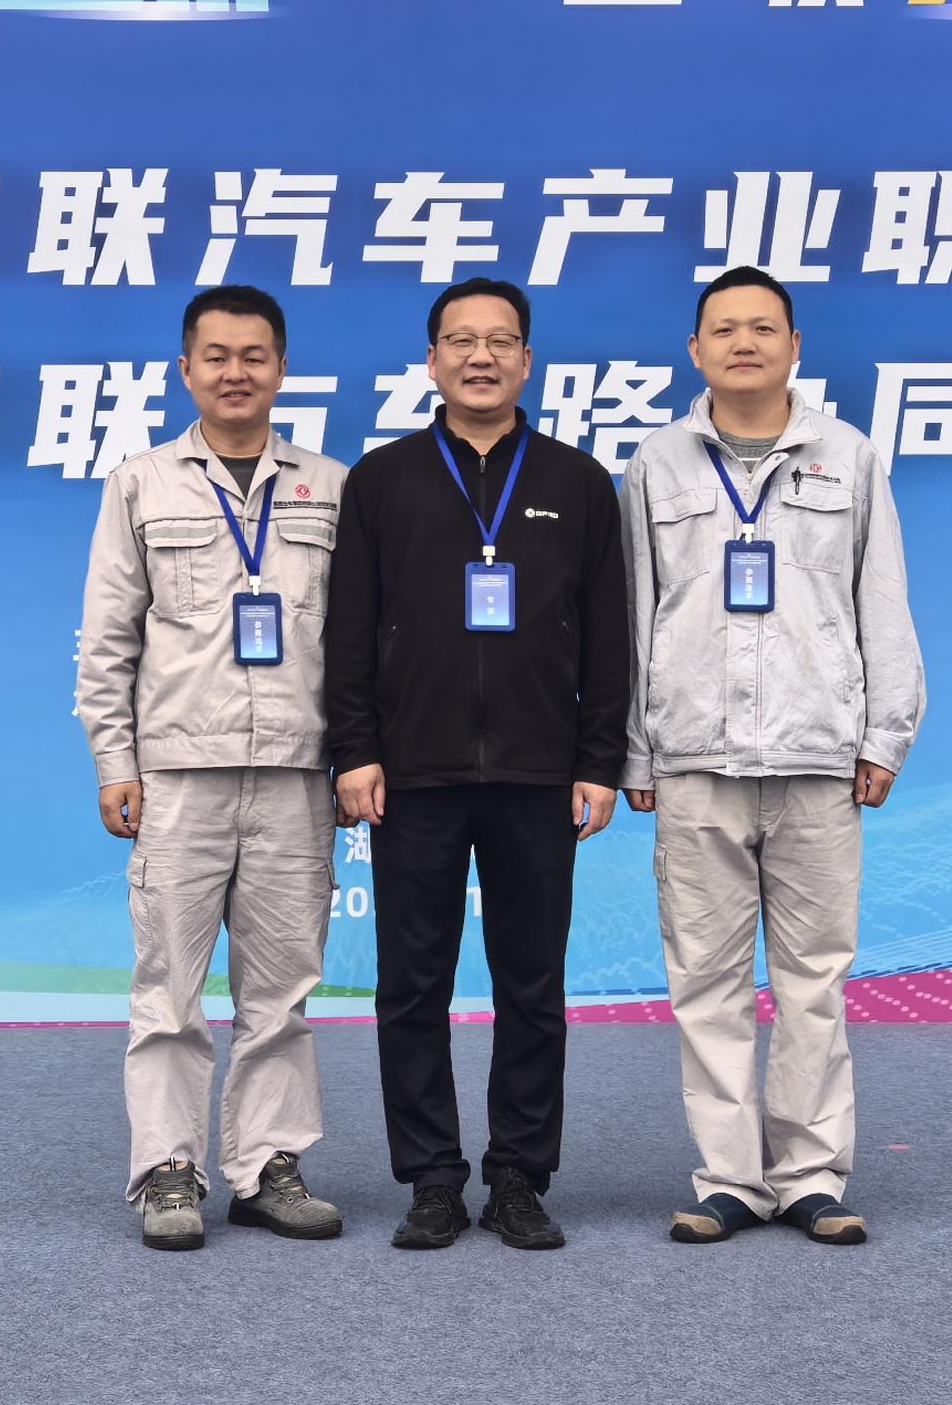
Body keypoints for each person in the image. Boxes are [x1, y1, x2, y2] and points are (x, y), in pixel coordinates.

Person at [618, 266, 925, 1248]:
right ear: (695, 349)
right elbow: (633, 613)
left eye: (763, 327)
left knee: (812, 982)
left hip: (816, 758)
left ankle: (810, 1176)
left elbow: (882, 600)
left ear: (795, 346)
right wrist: (635, 750)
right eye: (724, 328)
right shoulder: (656, 463)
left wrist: (885, 733)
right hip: (695, 760)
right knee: (704, 985)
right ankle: (729, 1180)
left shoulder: (849, 456)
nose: (743, 343)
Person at [323, 277, 631, 1252]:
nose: (480, 356)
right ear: (432, 361)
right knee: (412, 986)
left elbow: (609, 637)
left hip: (540, 773)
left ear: (527, 361)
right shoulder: (383, 480)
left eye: (500, 340)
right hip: (413, 771)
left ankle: (519, 1177)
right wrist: (355, 748)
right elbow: (348, 629)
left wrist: (599, 759)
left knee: (531, 984)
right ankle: (430, 1177)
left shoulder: (578, 482)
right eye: (461, 340)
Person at [76, 285, 352, 1252]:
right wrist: (115, 760)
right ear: (185, 368)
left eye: (255, 356)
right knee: (169, 991)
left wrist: (354, 759)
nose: (237, 373)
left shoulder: (331, 486)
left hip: (295, 776)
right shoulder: (142, 484)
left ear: (282, 368)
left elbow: (360, 644)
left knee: (282, 995)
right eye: (218, 356)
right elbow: (108, 637)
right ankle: (168, 1170)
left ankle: (269, 1167)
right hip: (179, 776)